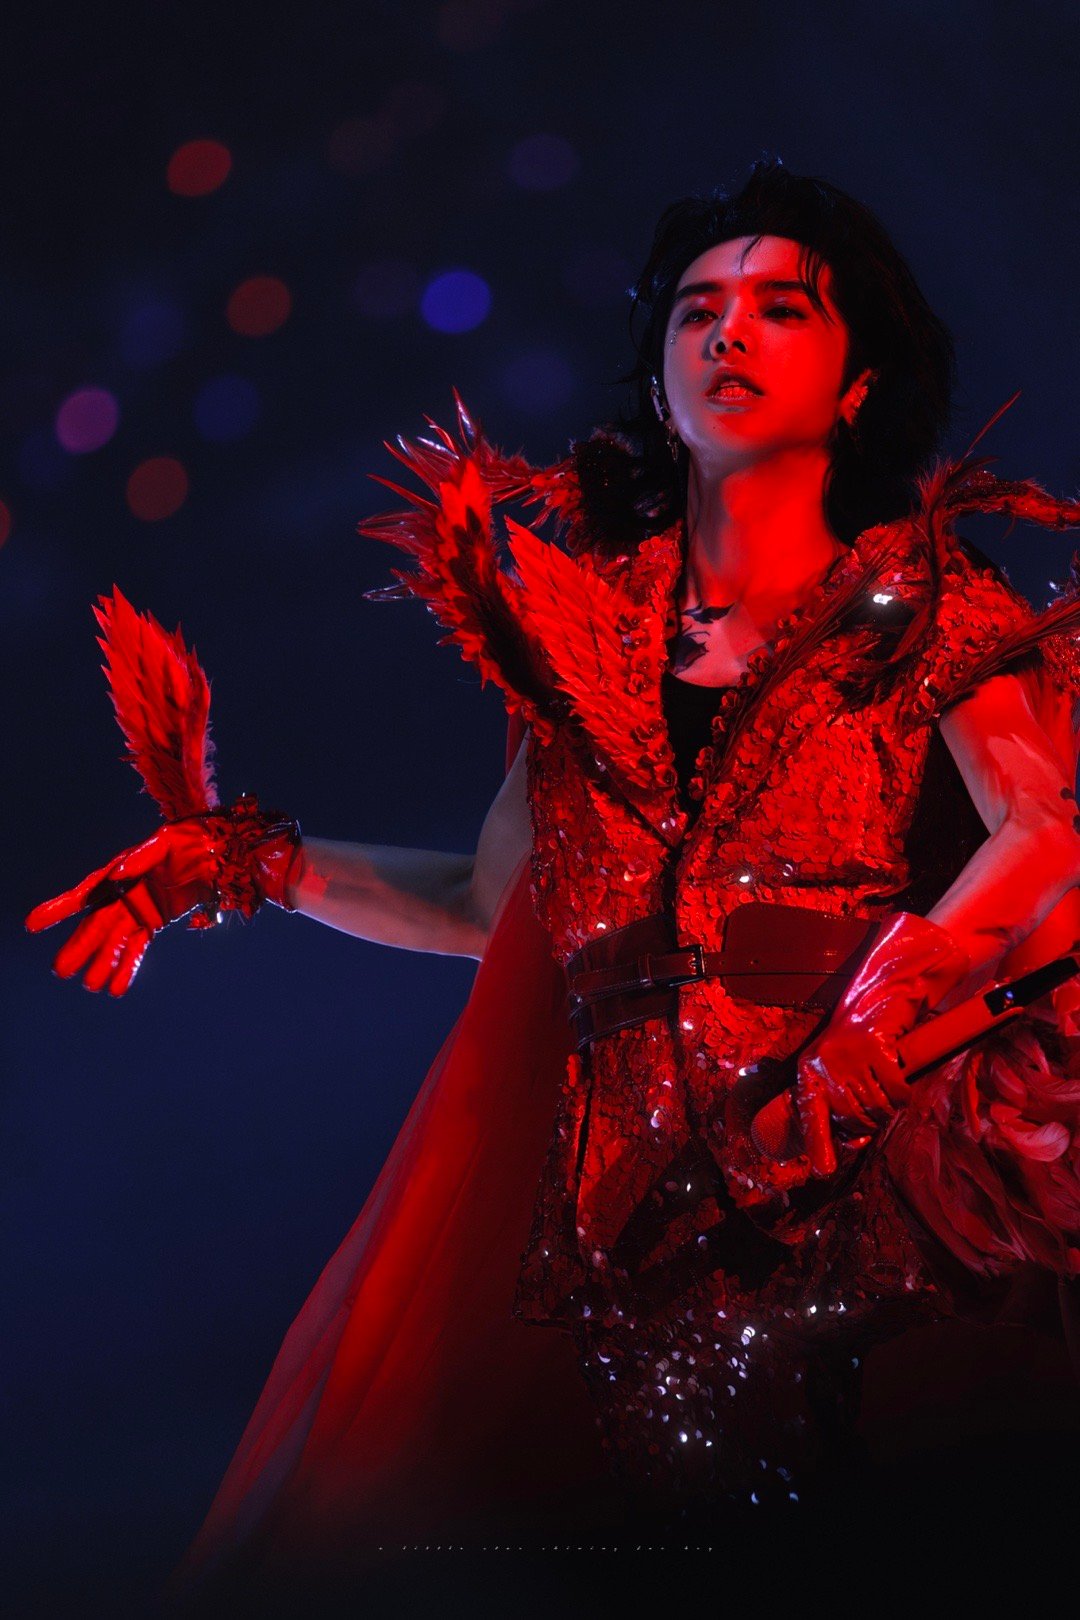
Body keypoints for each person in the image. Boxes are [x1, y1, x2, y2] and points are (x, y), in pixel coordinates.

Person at [25, 159, 1080, 1584]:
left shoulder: (925, 603)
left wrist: (876, 1019)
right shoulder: (590, 627)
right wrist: (245, 863)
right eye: (698, 309)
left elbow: (1042, 830)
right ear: (658, 375)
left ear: (859, 383)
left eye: (782, 308)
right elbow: (488, 907)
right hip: (616, 1222)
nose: (729, 332)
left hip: (852, 1188)